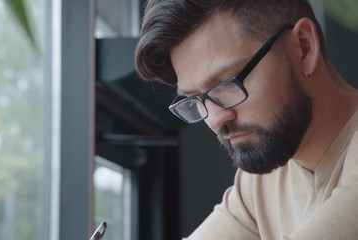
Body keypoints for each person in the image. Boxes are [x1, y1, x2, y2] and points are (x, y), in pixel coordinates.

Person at [135, 0, 358, 239]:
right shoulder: (261, 184)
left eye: (228, 83)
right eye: (194, 98)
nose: (215, 120)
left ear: (304, 48)